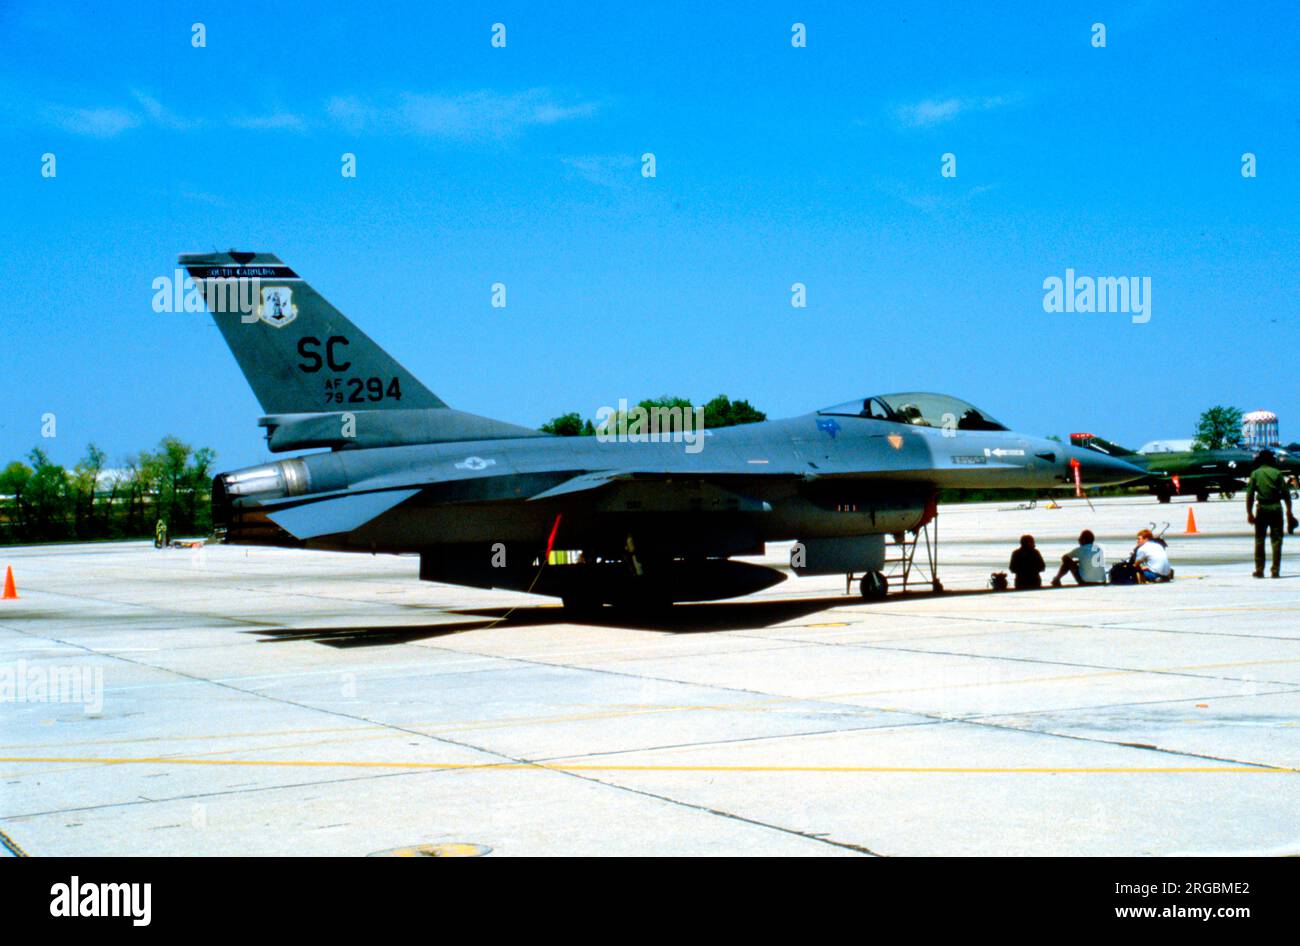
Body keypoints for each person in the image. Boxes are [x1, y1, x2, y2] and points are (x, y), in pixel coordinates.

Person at [1246, 449, 1294, 578]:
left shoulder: (1255, 474)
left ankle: (1259, 569)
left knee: (1259, 540)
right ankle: (1275, 570)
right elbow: (1286, 494)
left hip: (1262, 509)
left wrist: (1249, 513)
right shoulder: (1277, 473)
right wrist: (1289, 511)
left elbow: (1250, 495)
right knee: (1277, 540)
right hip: (1276, 508)